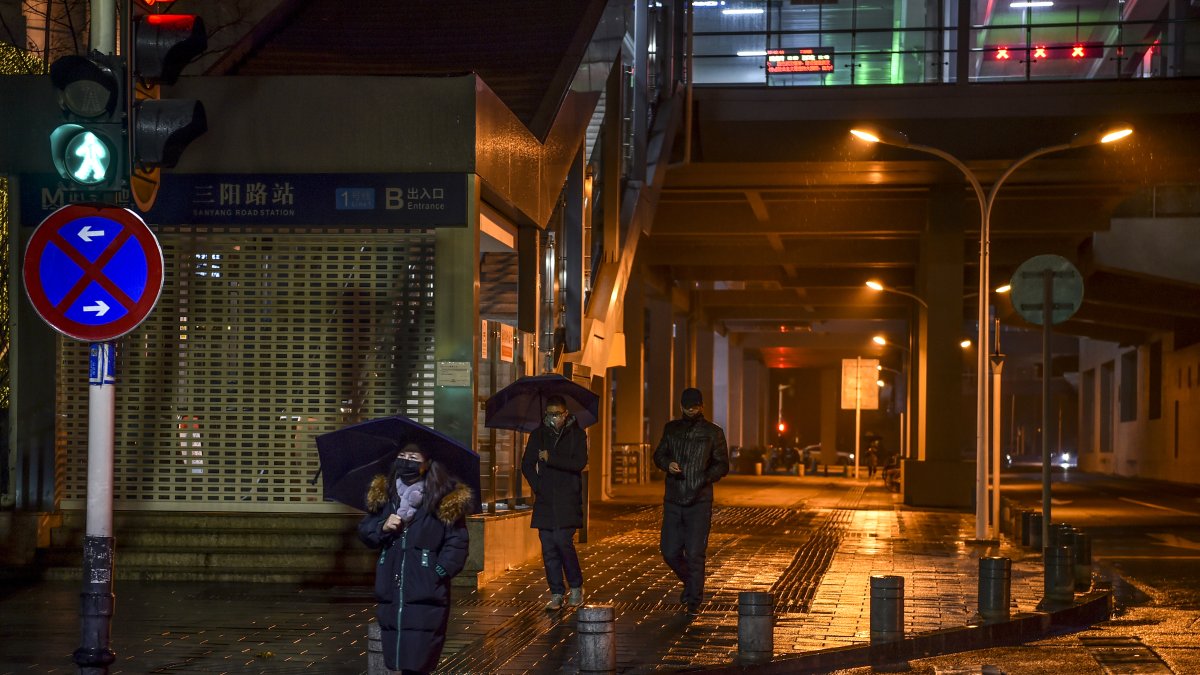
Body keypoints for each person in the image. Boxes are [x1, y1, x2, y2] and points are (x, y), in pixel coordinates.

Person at [358, 443, 473, 675]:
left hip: (426, 588)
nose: (406, 461)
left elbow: (457, 542)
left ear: (427, 463)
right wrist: (383, 526)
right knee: (397, 653)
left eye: (413, 456)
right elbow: (366, 530)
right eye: (402, 455)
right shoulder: (387, 494)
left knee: (420, 658)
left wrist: (438, 571)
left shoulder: (443, 497)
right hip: (391, 585)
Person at [652, 387, 730, 616]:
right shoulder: (671, 429)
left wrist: (704, 477)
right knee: (669, 551)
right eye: (688, 406)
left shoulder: (713, 432)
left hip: (700, 500)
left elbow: (722, 464)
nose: (691, 410)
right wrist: (668, 465)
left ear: (702, 406)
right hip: (674, 498)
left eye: (695, 406)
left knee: (695, 552)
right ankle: (691, 583)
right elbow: (659, 455)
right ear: (681, 406)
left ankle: (694, 600)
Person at [521, 394, 589, 611]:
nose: (553, 418)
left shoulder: (577, 435)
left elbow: (579, 463)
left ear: (565, 414)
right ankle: (557, 592)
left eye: (557, 414)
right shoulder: (538, 435)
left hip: (567, 498)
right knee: (548, 546)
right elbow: (527, 465)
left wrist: (552, 459)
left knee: (563, 542)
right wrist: (538, 485)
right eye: (550, 414)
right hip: (545, 499)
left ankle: (576, 586)